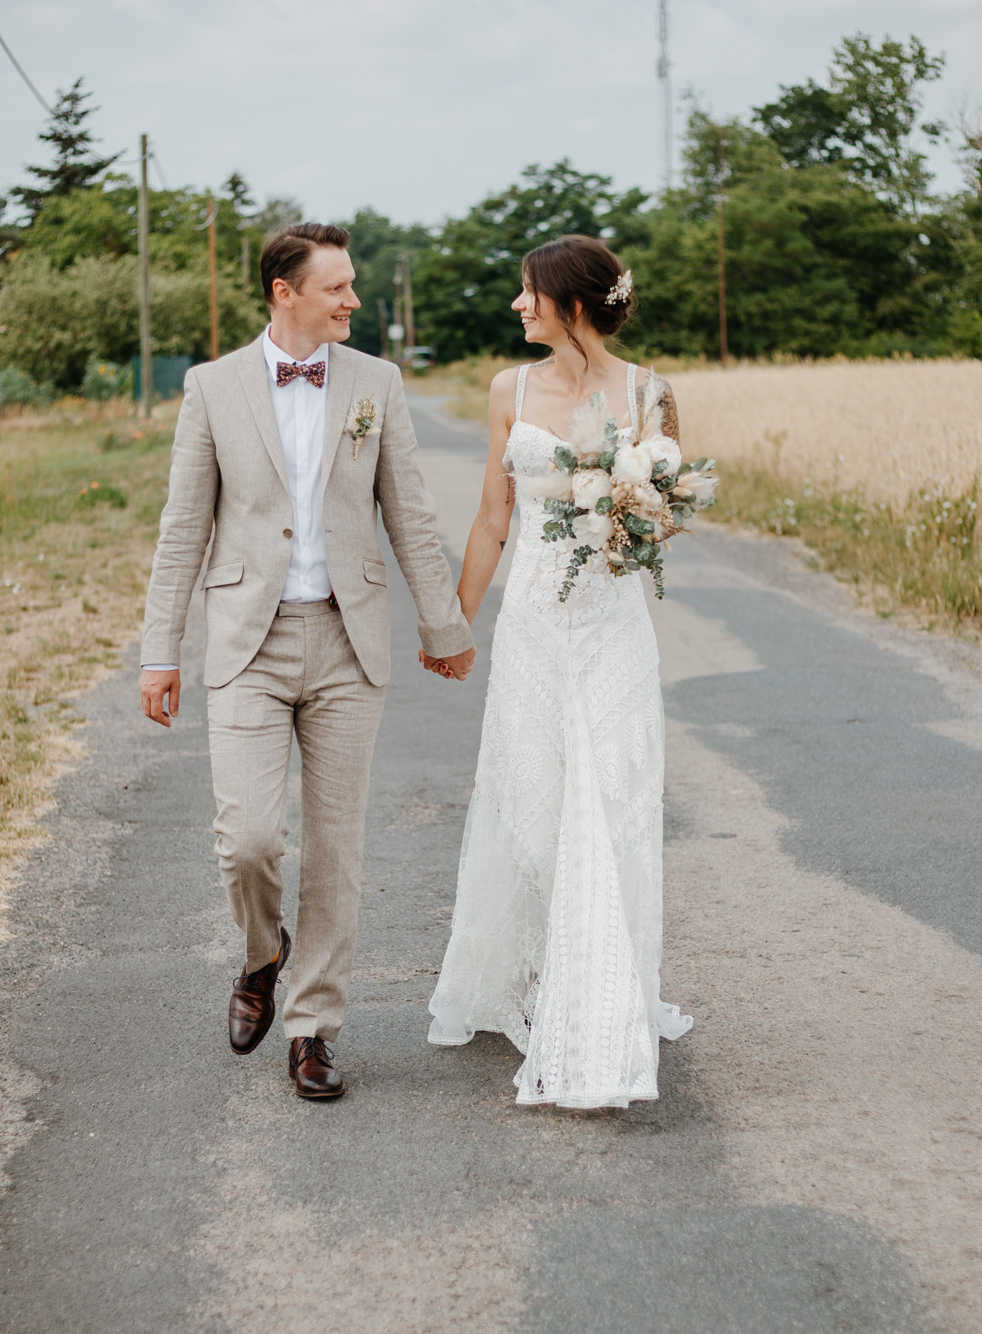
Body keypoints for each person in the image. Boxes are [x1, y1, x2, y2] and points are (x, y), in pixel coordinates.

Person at [139, 223, 476, 1100]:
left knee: (336, 850)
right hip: (246, 642)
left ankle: (313, 1028)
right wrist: (157, 652)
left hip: (346, 641)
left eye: (354, 284)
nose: (353, 300)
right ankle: (263, 956)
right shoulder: (211, 388)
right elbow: (183, 530)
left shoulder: (377, 383)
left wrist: (444, 625)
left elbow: (409, 511)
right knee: (249, 839)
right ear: (284, 292)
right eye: (337, 287)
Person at [425, 234, 693, 1109]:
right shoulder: (509, 389)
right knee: (535, 800)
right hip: (536, 626)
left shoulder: (653, 394)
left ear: (571, 303)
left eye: (527, 293)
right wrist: (450, 622)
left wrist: (633, 510)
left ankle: (606, 991)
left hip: (613, 627)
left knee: (613, 797)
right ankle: (541, 971)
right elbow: (493, 518)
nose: (516, 306)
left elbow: (669, 514)